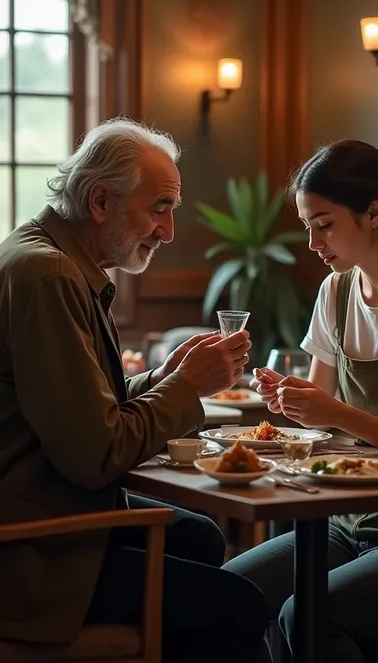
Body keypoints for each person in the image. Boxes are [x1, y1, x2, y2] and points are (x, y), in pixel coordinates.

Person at [0, 117, 268, 663]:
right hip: (31, 556)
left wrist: (168, 377)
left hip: (46, 514)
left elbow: (87, 408)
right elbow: (96, 455)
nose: (168, 232)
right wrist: (187, 390)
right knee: (241, 606)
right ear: (101, 201)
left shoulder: (43, 255)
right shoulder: (49, 276)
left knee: (200, 538)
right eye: (160, 208)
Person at [224, 139, 378, 663]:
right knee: (226, 594)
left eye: (324, 224)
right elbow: (321, 432)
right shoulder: (335, 293)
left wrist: (335, 413)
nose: (312, 242)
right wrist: (291, 404)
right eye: (308, 225)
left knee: (306, 613)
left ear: (374, 213)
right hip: (342, 524)